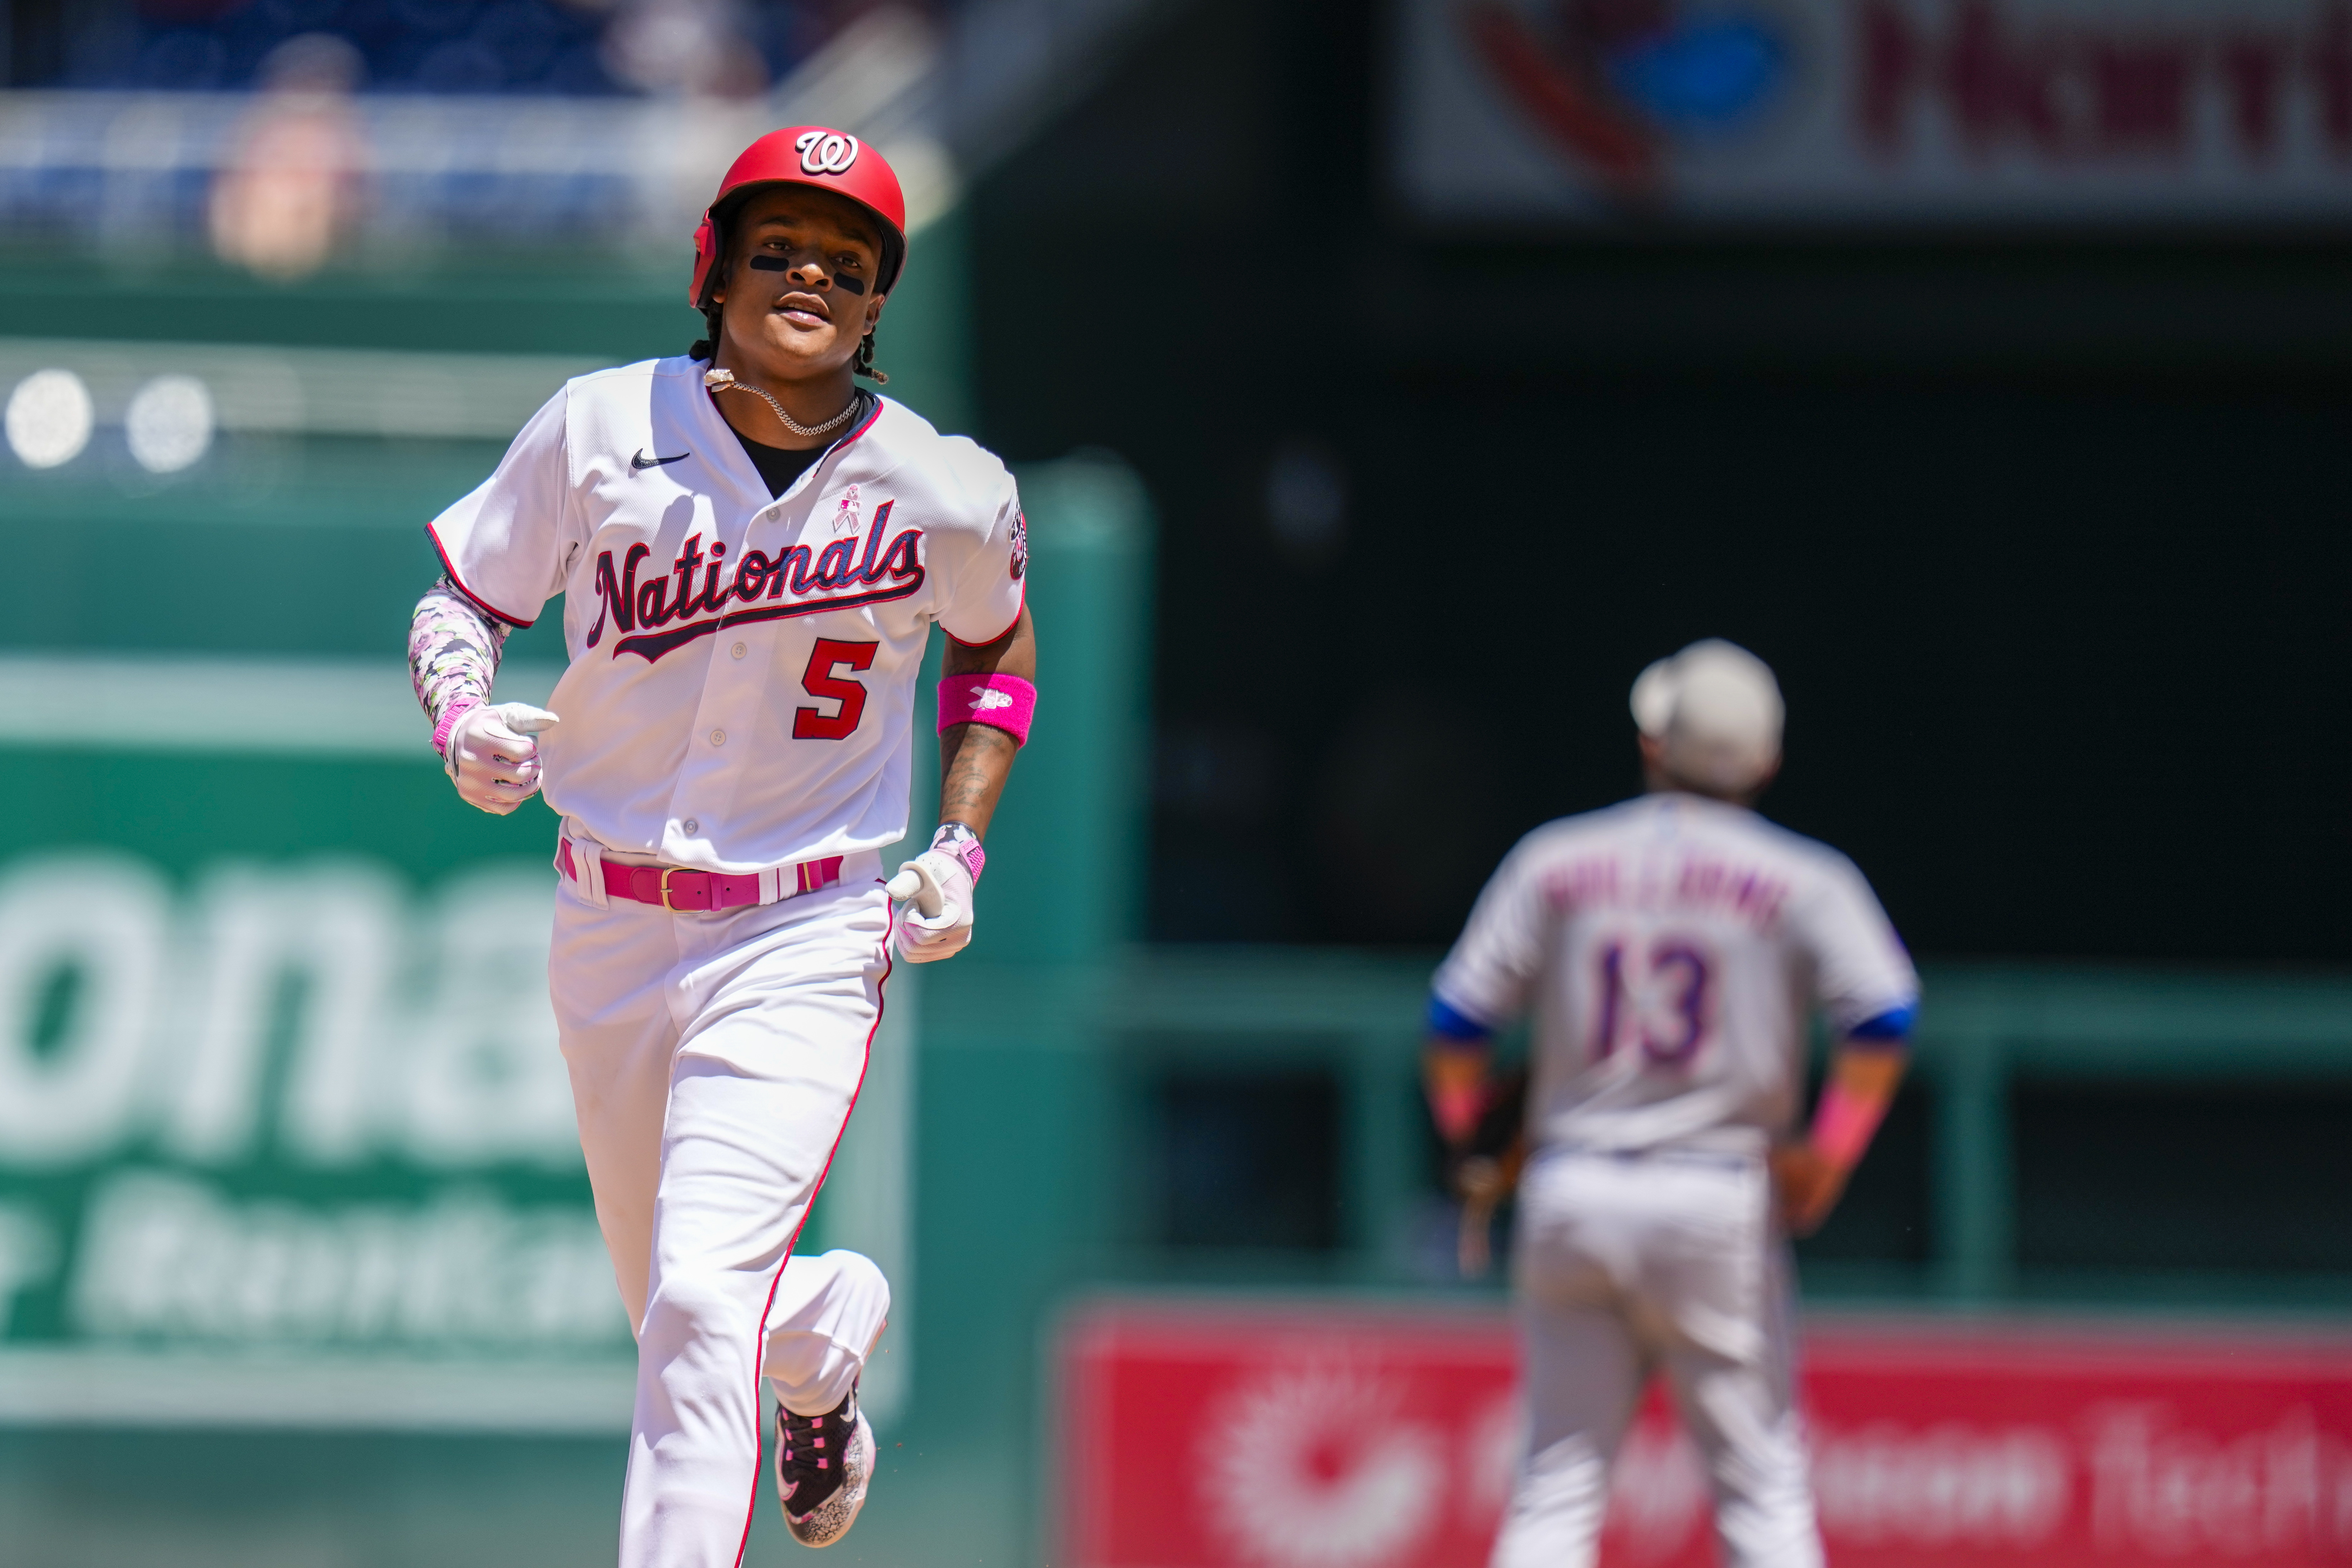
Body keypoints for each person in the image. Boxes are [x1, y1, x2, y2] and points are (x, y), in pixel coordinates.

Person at [405, 126, 1037, 1563]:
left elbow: (1000, 658)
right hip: (607, 918)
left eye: (848, 259)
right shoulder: (598, 424)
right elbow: (463, 600)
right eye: (779, 245)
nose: (811, 270)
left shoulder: (945, 486)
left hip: (805, 926)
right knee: (681, 1312)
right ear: (715, 267)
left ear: (879, 305)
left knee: (697, 1304)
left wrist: (960, 842)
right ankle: (823, 1335)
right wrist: (458, 713)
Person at [1423, 640, 1915, 1568]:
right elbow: (1884, 1016)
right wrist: (1830, 1152)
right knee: (1761, 1490)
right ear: (1766, 763)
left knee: (1554, 1488)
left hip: (1573, 1182)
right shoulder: (1806, 877)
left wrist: (1475, 1139)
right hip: (1713, 1190)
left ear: (1653, 743)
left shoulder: (1557, 857)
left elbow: (1455, 1020)